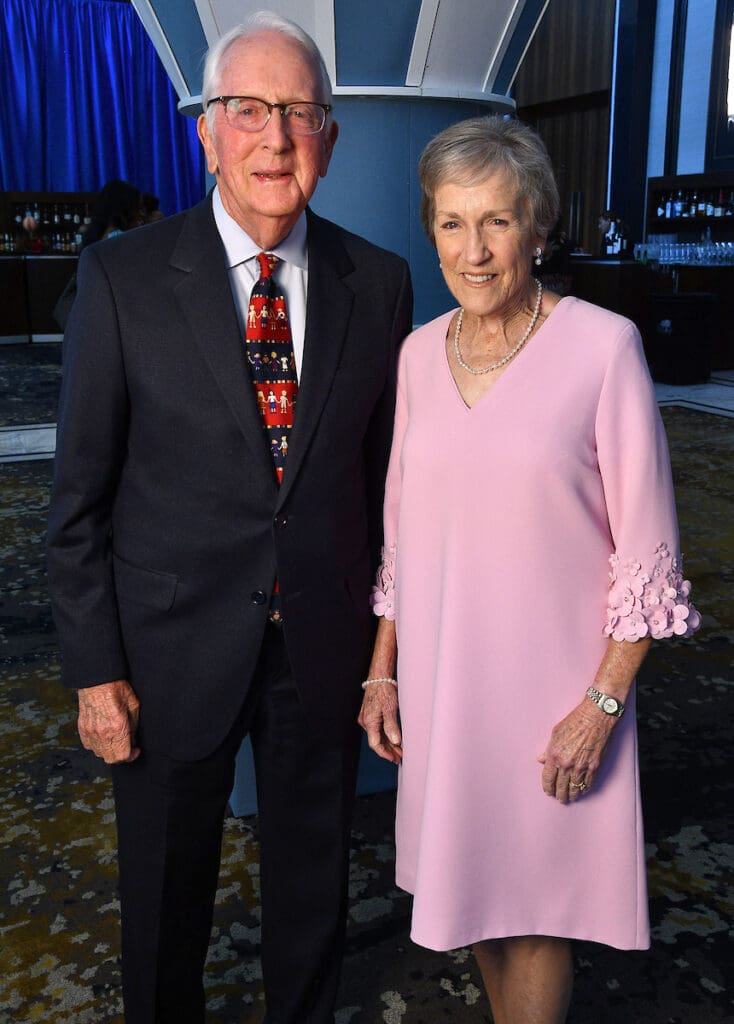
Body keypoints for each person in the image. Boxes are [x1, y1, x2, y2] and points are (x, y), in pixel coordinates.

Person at [46, 11, 412, 1024]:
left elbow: (390, 491)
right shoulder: (122, 282)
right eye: (247, 110)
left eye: (297, 113)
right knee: (164, 907)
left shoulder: (377, 285)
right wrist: (93, 671)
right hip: (163, 654)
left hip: (322, 647)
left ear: (329, 141)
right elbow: (76, 504)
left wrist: (387, 655)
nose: (275, 137)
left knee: (311, 901)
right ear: (205, 130)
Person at [358, 116, 699, 1024]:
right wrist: (384, 667)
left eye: (497, 222)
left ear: (539, 228)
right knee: (472, 886)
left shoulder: (603, 347)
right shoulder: (419, 356)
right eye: (451, 223)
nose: (474, 251)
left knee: (541, 909)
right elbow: (402, 531)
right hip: (447, 683)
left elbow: (650, 557)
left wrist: (603, 703)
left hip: (558, 692)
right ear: (430, 230)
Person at [53, 179, 144, 330]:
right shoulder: (118, 239)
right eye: (138, 208)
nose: (141, 214)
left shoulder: (93, 235)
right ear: (126, 208)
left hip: (91, 313)